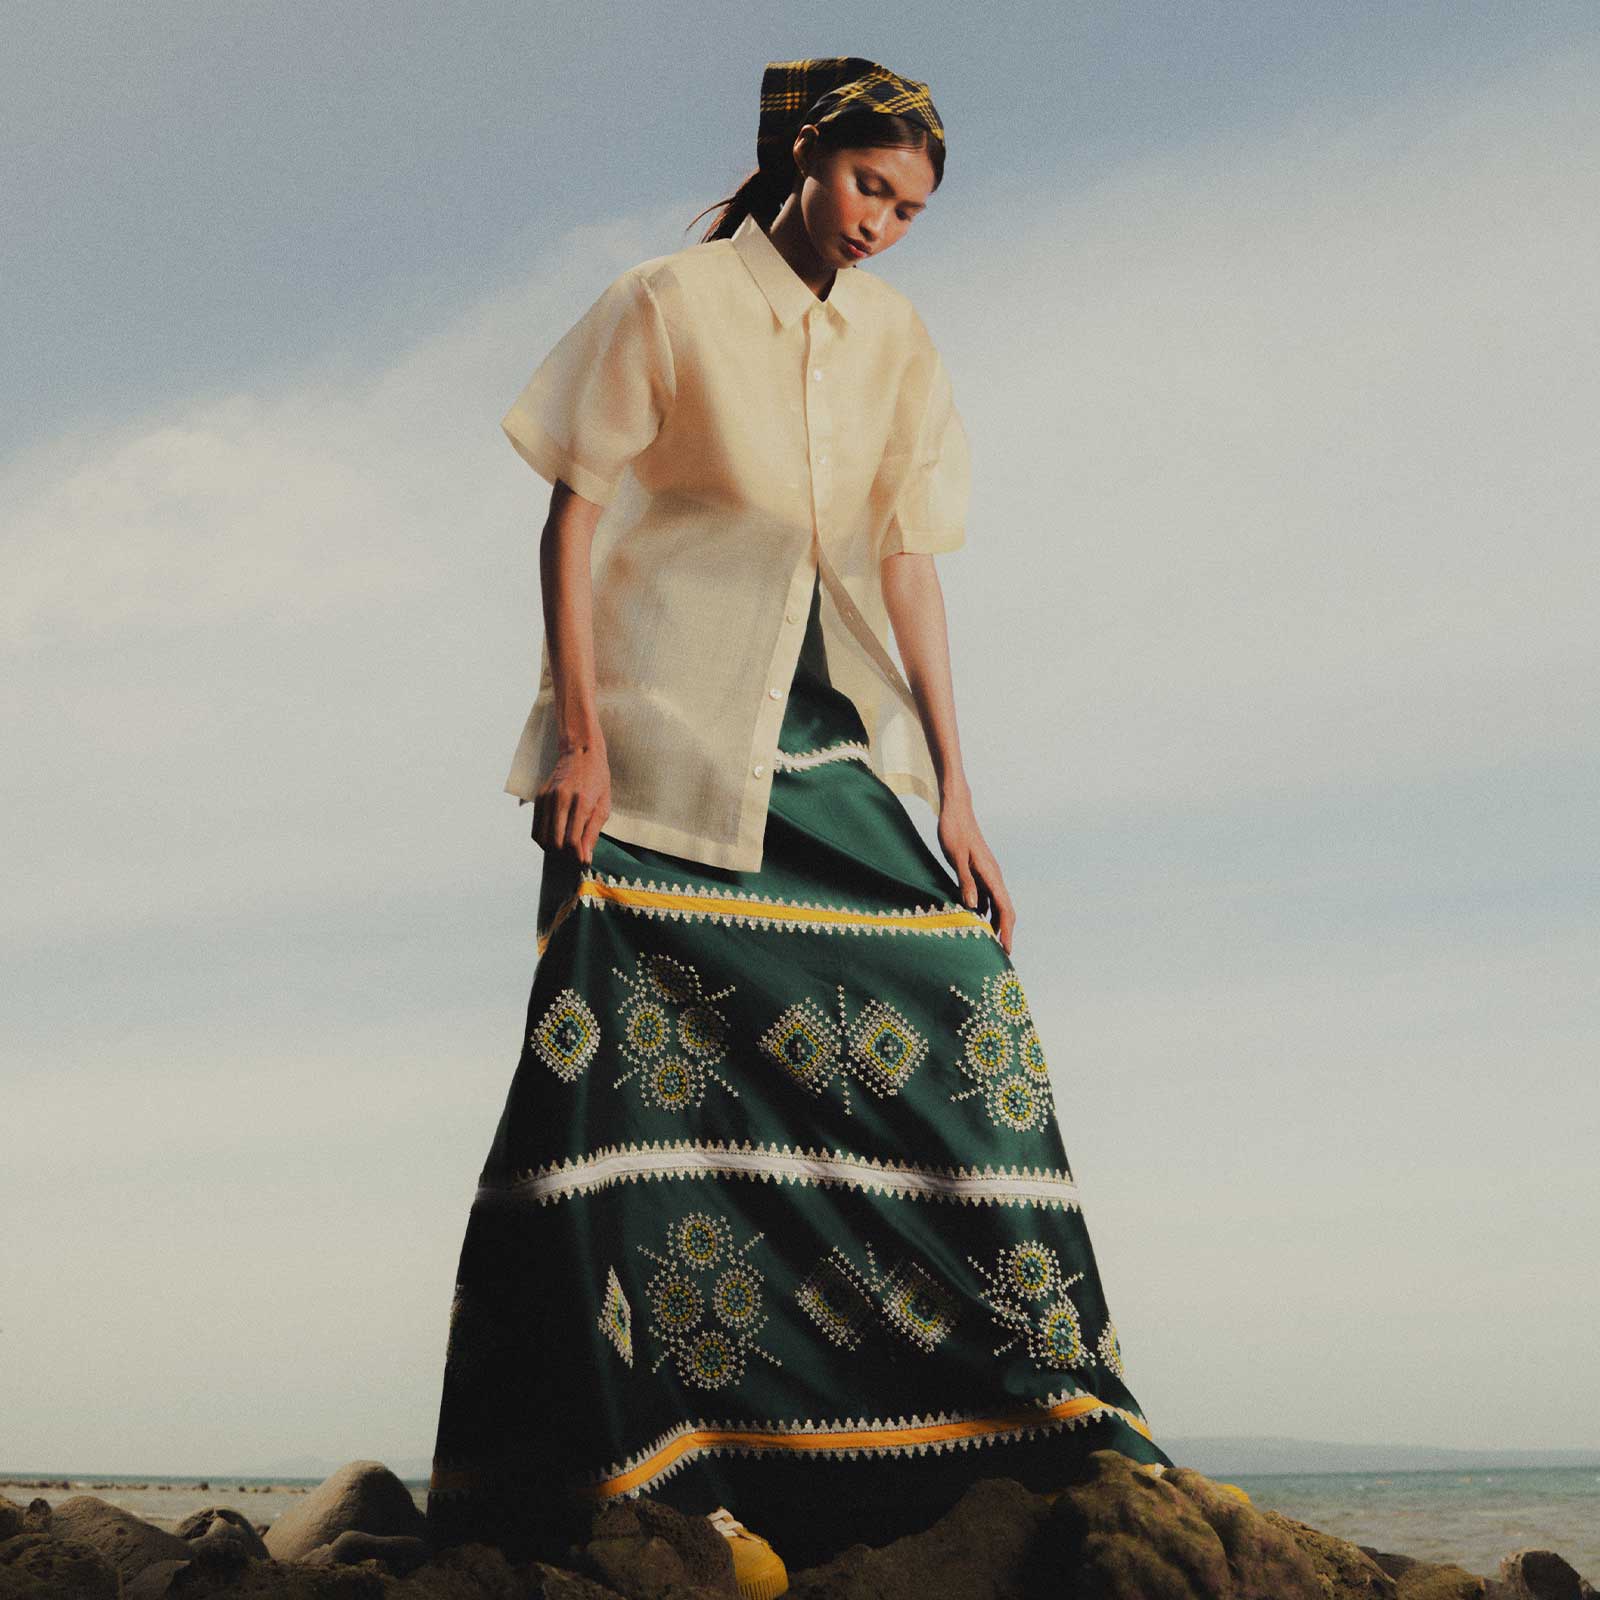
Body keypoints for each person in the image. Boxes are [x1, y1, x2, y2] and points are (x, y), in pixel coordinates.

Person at [426, 55, 1175, 1593]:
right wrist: (579, 739)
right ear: (805, 155)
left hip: (829, 740)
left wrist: (958, 790)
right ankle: (630, 1475)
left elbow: (908, 567)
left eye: (910, 209)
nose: (883, 223)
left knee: (968, 1000)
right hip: (658, 744)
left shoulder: (897, 341)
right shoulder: (668, 304)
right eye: (867, 187)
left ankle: (1010, 1433)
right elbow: (573, 514)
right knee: (616, 1097)